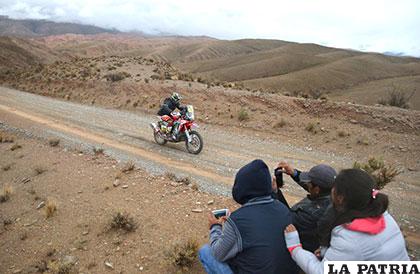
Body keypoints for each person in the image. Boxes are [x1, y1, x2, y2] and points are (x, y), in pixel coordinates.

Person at [284, 168, 409, 274]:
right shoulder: (384, 216)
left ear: (340, 198)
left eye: (335, 187)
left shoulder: (349, 238)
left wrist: (294, 246)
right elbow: (369, 252)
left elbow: (320, 271)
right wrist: (329, 252)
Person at [199, 159, 298, 274]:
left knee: (206, 251)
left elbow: (218, 253)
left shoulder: (237, 221)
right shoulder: (283, 209)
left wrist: (215, 227)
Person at [272, 162, 336, 252]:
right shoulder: (337, 197)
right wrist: (294, 173)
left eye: (309, 182)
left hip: (301, 253)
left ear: (317, 189)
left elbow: (285, 219)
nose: (307, 184)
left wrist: (275, 192)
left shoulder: (309, 215)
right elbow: (315, 188)